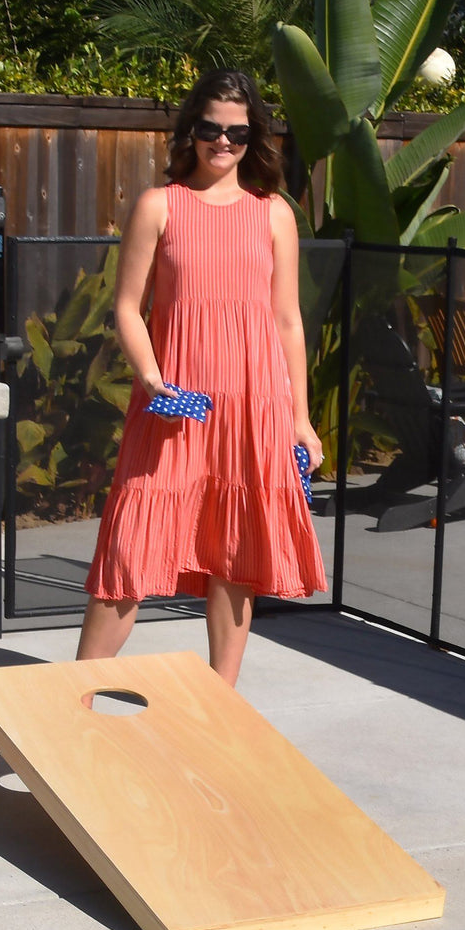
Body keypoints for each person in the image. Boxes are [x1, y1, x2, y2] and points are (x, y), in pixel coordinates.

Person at [78, 68, 327, 687]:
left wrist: (299, 419)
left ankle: (222, 703)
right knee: (131, 547)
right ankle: (73, 698)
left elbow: (288, 322)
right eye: (212, 129)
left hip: (253, 408)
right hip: (175, 407)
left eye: (237, 133)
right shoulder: (159, 206)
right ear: (191, 130)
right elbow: (127, 308)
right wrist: (151, 378)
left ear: (253, 138)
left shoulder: (274, 214)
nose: (223, 142)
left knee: (234, 552)